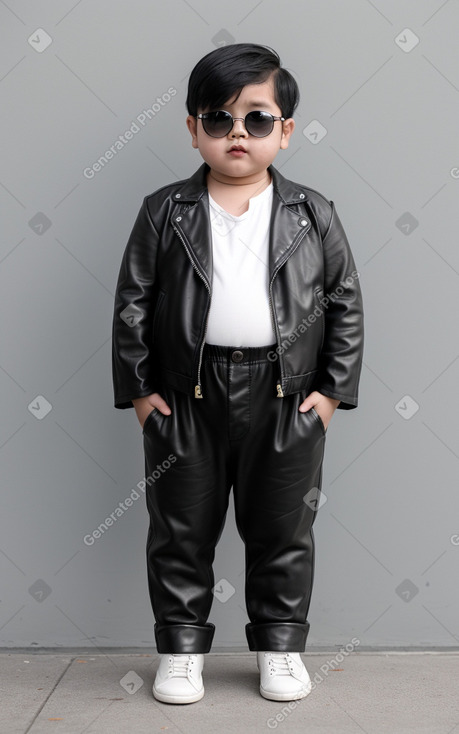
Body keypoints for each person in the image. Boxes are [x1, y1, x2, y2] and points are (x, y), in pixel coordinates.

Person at [111, 42, 364, 705]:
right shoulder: (165, 212)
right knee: (179, 528)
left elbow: (344, 306)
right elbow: (132, 304)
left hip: (285, 397)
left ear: (284, 130)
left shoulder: (313, 214)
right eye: (217, 120)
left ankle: (278, 648)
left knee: (283, 528)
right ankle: (181, 649)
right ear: (193, 131)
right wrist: (140, 393)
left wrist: (329, 394)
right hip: (185, 397)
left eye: (256, 119)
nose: (237, 135)